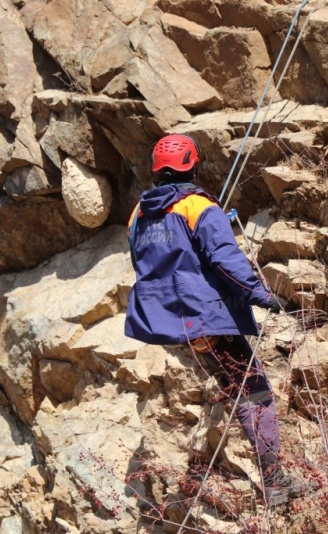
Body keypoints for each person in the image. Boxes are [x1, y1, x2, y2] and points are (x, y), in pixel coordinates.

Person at [124, 133, 305, 506]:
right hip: (202, 318)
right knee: (255, 392)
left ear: (157, 170)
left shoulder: (138, 215)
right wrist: (260, 294)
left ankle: (269, 477)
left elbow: (147, 263)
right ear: (193, 164)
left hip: (173, 322)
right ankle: (274, 482)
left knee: (237, 384)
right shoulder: (196, 206)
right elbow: (225, 259)